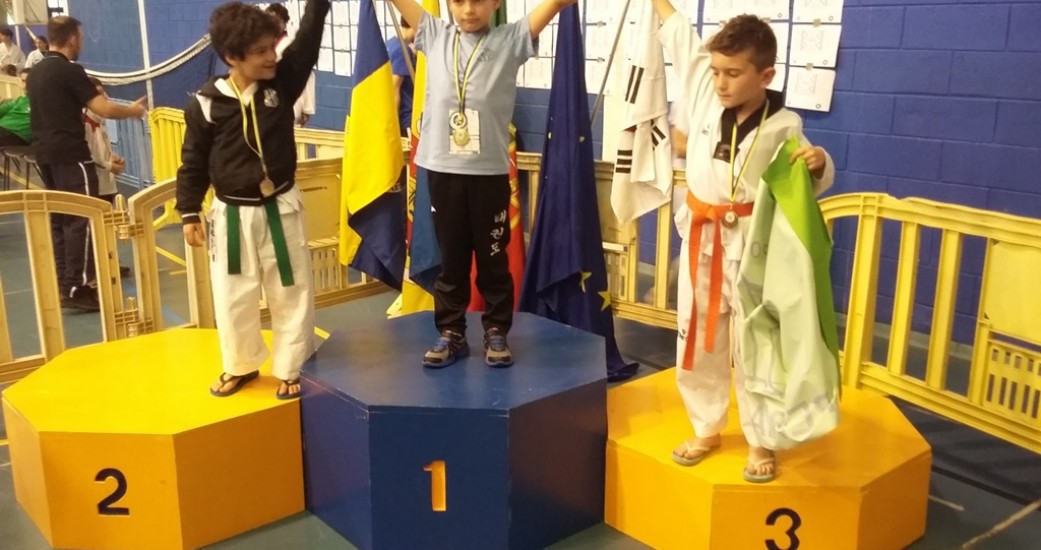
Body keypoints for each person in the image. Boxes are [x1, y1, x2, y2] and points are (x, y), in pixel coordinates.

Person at [650, 0, 835, 483]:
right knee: (697, 334)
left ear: (765, 75)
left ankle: (761, 437)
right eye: (717, 72)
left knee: (756, 341)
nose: (721, 82)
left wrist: (819, 164)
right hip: (702, 236)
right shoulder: (704, 92)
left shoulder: (784, 125)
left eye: (733, 74)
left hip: (755, 246)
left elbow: (805, 177)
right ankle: (705, 427)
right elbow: (680, 33)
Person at [384, 0, 577, 369]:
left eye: (478, 1)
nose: (468, 10)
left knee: (492, 258)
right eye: (459, 1)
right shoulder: (433, 33)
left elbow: (552, 7)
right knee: (451, 258)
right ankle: (451, 331)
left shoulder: (509, 40)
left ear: (496, 3)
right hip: (442, 170)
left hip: (489, 173)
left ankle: (496, 328)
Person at [176, 0, 329, 399]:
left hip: (281, 206)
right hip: (231, 215)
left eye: (272, 46)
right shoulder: (206, 104)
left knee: (291, 289)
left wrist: (318, 6)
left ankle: (293, 365)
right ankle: (240, 364)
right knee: (233, 294)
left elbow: (307, 41)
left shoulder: (281, 83)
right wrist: (188, 210)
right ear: (233, 57)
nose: (272, 56)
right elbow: (193, 160)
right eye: (261, 51)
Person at [27, 16, 147, 312]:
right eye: (80, 37)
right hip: (71, 155)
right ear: (72, 38)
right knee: (81, 218)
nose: (81, 42)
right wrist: (132, 111)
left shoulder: (36, 71)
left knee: (60, 220)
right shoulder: (70, 70)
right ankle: (79, 287)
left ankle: (64, 283)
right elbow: (102, 107)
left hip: (45, 155)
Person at [265, 3, 317, 127]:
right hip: (269, 101)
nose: (272, 24)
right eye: (268, 20)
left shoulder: (289, 45)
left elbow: (307, 74)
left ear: (284, 24)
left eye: (276, 21)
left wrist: (307, 108)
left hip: (292, 101)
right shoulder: (263, 46)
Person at [83, 77, 126, 203]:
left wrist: (112, 158)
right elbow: (89, 157)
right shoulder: (85, 124)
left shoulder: (99, 120)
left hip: (107, 184)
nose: (106, 97)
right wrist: (110, 166)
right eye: (100, 94)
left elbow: (100, 150)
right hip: (95, 186)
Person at [386, 16, 417, 136]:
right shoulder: (402, 50)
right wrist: (392, 124)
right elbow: (395, 89)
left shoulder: (391, 43)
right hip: (404, 119)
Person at [0, 69, 30, 148]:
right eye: (23, 81)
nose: (24, 86)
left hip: (16, 134)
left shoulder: (42, 102)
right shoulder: (20, 100)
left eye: (29, 81)